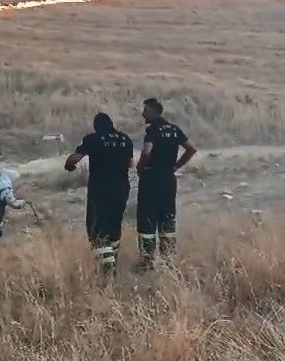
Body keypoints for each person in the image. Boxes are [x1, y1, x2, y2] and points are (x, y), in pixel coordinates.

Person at [64, 113, 134, 274]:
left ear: (96, 126)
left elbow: (75, 158)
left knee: (97, 228)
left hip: (101, 187)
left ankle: (107, 271)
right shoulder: (125, 139)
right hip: (122, 186)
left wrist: (69, 165)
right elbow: (130, 163)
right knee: (114, 225)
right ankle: (112, 260)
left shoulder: (93, 139)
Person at [136, 98, 197, 270]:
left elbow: (146, 151)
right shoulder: (175, 129)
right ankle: (168, 259)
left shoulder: (153, 130)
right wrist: (176, 165)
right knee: (167, 218)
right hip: (169, 180)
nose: (143, 113)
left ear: (155, 111)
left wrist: (141, 166)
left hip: (151, 179)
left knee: (147, 219)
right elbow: (191, 149)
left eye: (146, 110)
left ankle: (147, 262)